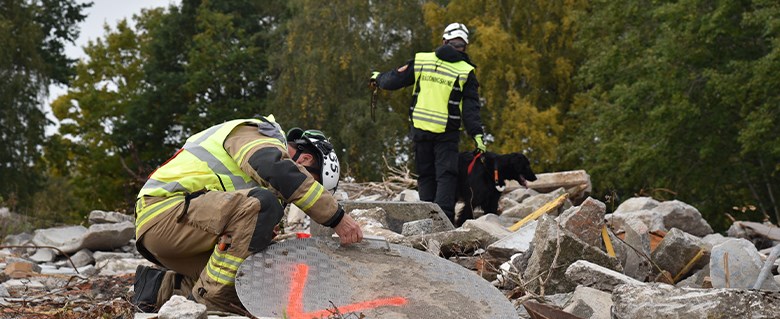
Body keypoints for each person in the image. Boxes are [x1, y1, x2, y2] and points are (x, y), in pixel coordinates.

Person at [132, 115, 363, 312]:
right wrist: (337, 218)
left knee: (254, 279)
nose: (304, 193)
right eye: (312, 182)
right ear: (304, 160)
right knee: (263, 205)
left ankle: (160, 287)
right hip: (165, 212)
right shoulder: (255, 133)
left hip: (182, 235)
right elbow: (277, 170)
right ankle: (205, 305)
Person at [369, 22, 486, 223]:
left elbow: (394, 79)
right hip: (446, 133)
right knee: (446, 176)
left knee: (426, 176)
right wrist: (477, 135)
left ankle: (425, 220)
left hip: (420, 129)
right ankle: (443, 223)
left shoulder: (422, 60)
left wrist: (378, 78)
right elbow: (471, 108)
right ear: (464, 46)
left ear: (444, 41)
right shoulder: (465, 70)